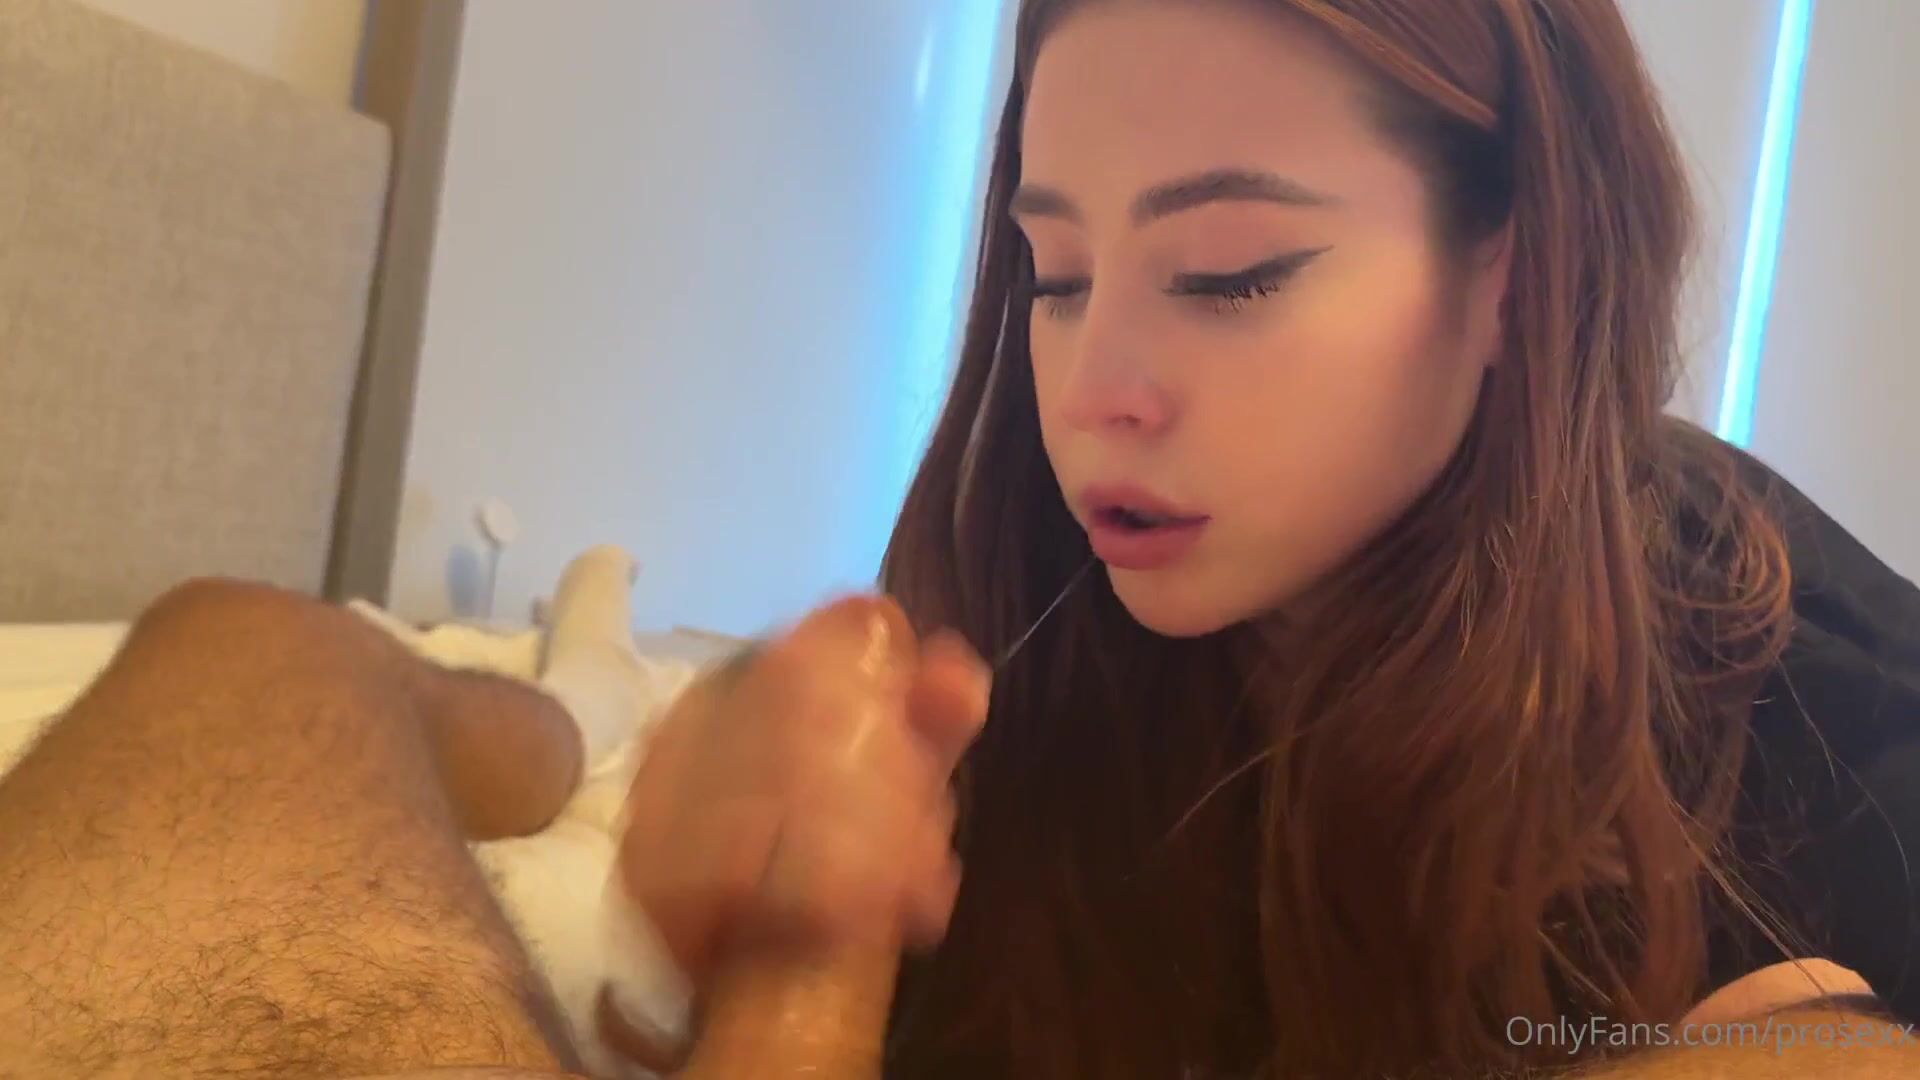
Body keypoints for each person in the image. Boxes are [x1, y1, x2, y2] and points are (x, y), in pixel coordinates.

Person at [2, 0, 1916, 1078]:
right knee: (251, 632)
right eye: (1055, 273)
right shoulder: (1032, 598)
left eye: (1231, 274)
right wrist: (758, 932)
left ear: (1511, 275)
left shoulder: (1806, 706)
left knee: (249, 647)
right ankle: (554, 708)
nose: (1097, 391)